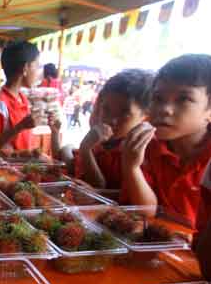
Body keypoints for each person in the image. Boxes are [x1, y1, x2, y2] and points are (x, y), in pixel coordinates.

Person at [122, 54, 211, 229]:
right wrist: (131, 167)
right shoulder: (147, 147)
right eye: (158, 99)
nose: (165, 109)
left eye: (184, 99)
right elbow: (147, 212)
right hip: (158, 244)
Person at [74, 69, 153, 190]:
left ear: (145, 118)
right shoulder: (99, 144)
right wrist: (86, 149)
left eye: (124, 113)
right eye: (106, 109)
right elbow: (93, 184)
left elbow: (131, 200)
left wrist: (86, 149)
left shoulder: (144, 152)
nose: (112, 120)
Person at [0, 41, 42, 151]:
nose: (38, 72)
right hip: (7, 167)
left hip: (23, 164)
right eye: (37, 65)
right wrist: (20, 127)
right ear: (25, 68)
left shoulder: (23, 99)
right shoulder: (0, 104)